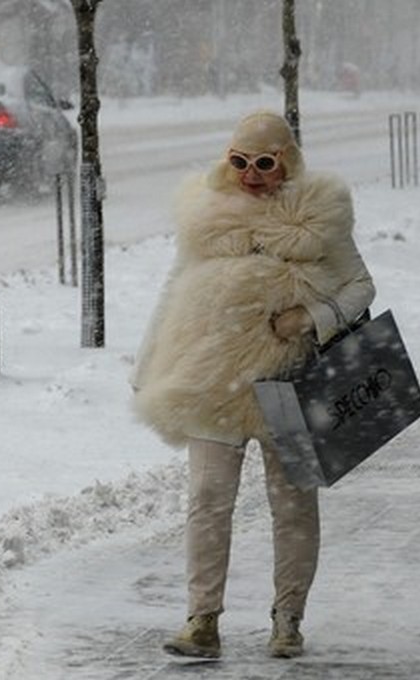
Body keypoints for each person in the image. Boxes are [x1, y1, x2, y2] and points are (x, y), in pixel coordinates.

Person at [130, 111, 375, 659]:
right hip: (211, 375)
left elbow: (362, 285)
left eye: (264, 162)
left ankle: (288, 619)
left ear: (287, 159)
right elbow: (178, 287)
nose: (251, 174)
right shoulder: (206, 211)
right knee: (206, 500)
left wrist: (311, 318)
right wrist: (150, 365)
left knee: (292, 504)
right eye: (239, 161)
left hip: (288, 378)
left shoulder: (317, 214)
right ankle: (201, 620)